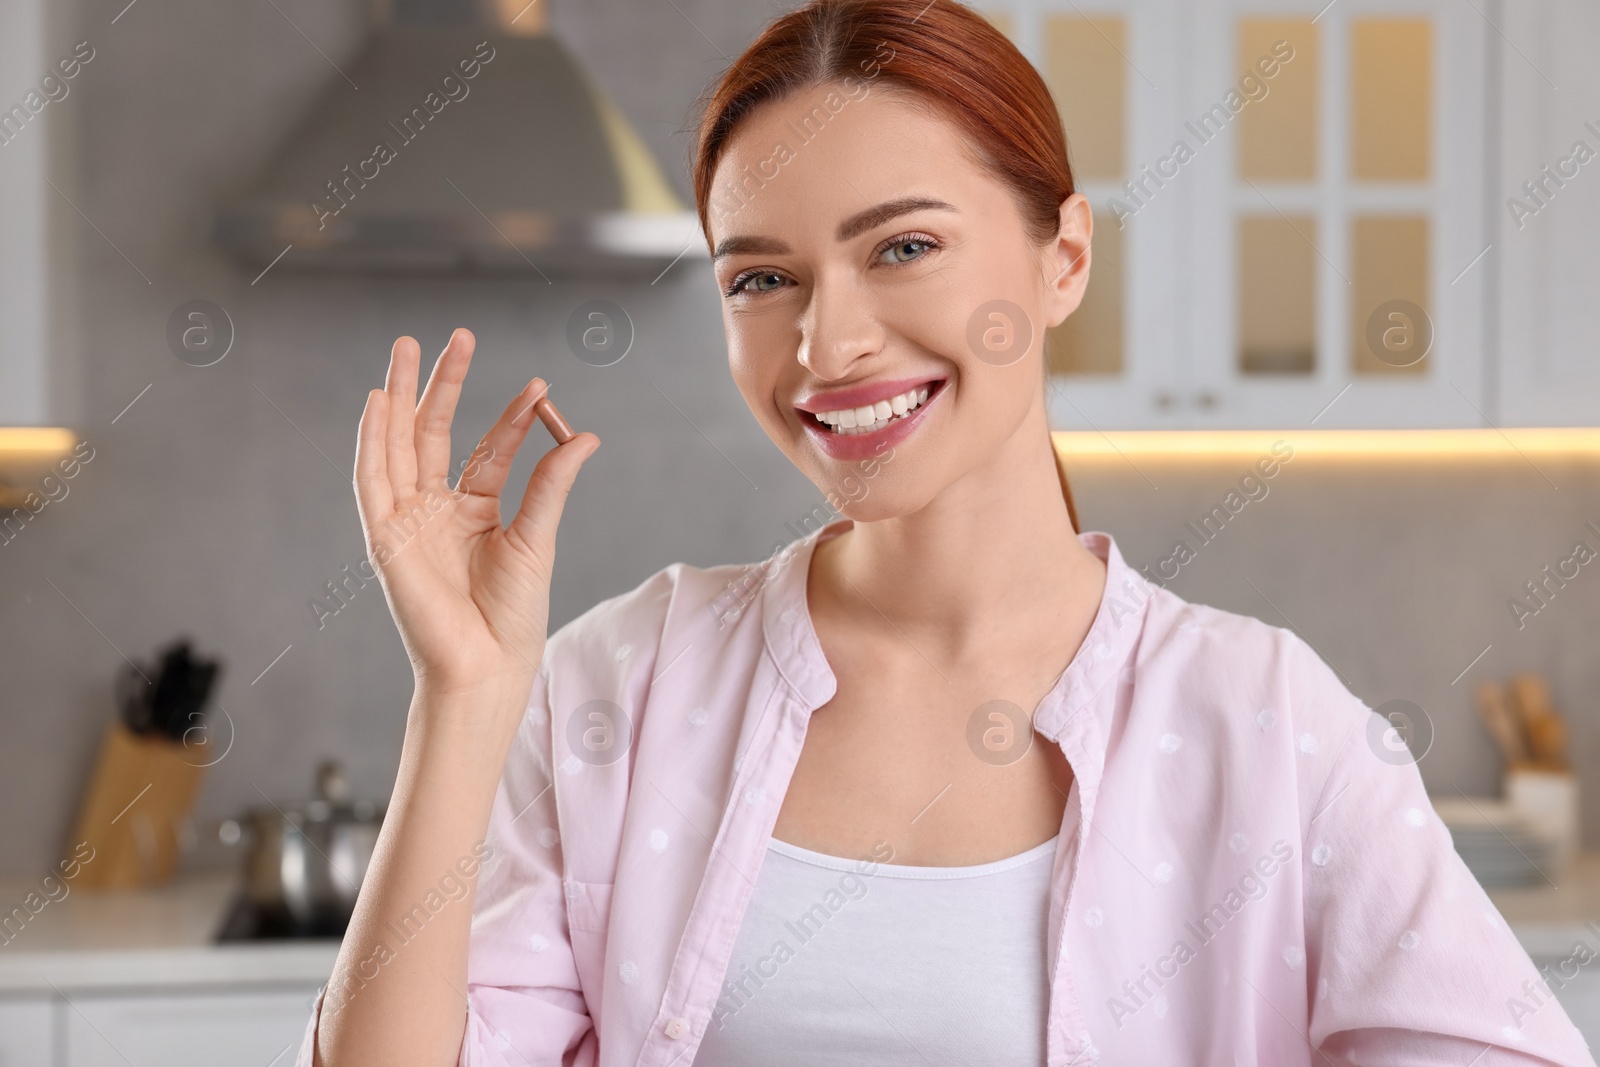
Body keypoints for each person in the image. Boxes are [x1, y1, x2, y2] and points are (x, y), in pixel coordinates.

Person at [299, 1, 1594, 1064]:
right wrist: (465, 697)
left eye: (904, 245)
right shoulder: (618, 688)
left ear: (1063, 257)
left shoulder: (1262, 721)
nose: (829, 342)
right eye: (761, 277)